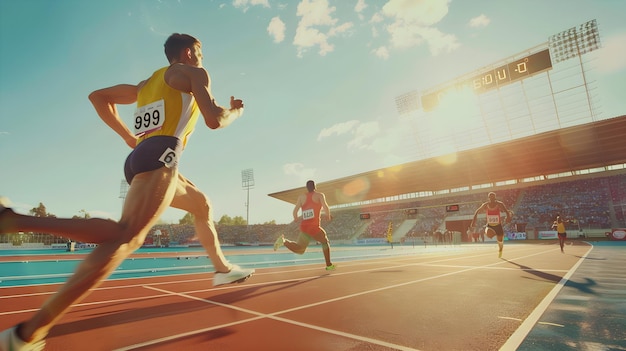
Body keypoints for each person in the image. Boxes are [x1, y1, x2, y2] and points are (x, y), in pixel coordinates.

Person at [0, 33, 254, 350]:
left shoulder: (146, 84)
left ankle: (222, 269)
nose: (203, 59)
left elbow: (98, 97)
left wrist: (128, 139)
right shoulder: (192, 73)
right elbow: (214, 120)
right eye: (201, 53)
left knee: (201, 204)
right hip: (161, 157)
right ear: (189, 52)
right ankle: (28, 330)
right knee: (126, 237)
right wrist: (236, 112)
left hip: (142, 157)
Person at [273, 180, 335, 270]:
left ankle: (283, 241)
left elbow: (295, 211)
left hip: (304, 226)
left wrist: (295, 218)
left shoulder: (301, 197)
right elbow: (325, 206)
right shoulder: (320, 195)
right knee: (325, 241)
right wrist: (328, 216)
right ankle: (329, 265)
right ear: (315, 187)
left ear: (307, 187)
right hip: (314, 227)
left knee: (300, 249)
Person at [469, 192, 513, 258]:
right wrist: (473, 221)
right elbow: (477, 211)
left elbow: (506, 211)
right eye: (490, 197)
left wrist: (508, 217)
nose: (492, 199)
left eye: (493, 197)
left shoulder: (499, 204)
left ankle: (500, 250)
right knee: (488, 233)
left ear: (495, 197)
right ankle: (494, 233)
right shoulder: (485, 205)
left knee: (500, 240)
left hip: (498, 225)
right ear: (488, 198)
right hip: (489, 225)